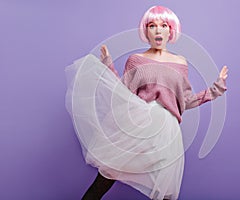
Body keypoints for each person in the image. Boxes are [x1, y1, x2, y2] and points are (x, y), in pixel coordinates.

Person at [66, 5, 228, 200]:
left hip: (167, 132)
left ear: (171, 30)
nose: (158, 30)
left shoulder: (180, 63)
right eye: (152, 25)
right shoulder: (136, 60)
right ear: (146, 30)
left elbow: (185, 100)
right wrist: (108, 66)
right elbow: (123, 93)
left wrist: (215, 89)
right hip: (139, 124)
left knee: (165, 191)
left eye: (163, 25)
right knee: (105, 178)